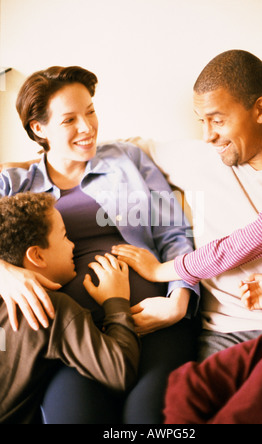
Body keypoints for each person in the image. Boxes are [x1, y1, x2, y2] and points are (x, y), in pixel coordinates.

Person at [0, 66, 199, 423]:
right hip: (80, 339)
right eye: (69, 120)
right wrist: (4, 273)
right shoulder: (12, 184)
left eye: (90, 111)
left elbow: (174, 233)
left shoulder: (128, 159)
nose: (88, 127)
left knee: (146, 417)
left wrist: (178, 302)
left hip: (153, 317)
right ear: (39, 128)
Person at [116, 121, 262, 424]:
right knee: (188, 384)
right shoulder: (200, 158)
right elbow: (134, 144)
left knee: (241, 411)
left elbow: (230, 249)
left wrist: (162, 270)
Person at [114, 49, 262, 362]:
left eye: (218, 120)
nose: (207, 135)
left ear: (260, 110)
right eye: (201, 121)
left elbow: (229, 249)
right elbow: (121, 150)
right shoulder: (199, 157)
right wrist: (26, 167)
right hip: (222, 335)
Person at [0, 192, 140, 424]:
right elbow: (119, 371)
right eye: (65, 237)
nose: (73, 245)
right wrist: (116, 301)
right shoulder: (50, 308)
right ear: (36, 255)